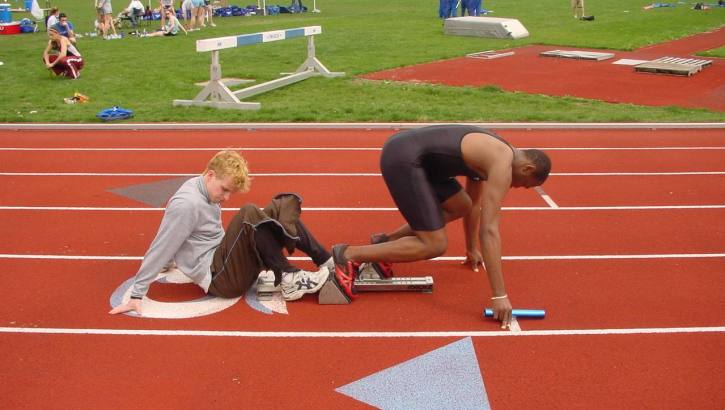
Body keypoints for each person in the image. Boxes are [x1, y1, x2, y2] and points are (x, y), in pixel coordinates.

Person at [331, 125, 551, 328]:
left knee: (460, 205)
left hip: (417, 159)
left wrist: (471, 248)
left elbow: (473, 205)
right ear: (527, 168)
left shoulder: (496, 150)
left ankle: (385, 242)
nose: (515, 186)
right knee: (434, 245)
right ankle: (349, 254)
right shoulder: (502, 163)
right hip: (404, 158)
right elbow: (490, 230)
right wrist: (499, 295)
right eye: (522, 184)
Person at [109, 150, 333, 316]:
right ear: (209, 175)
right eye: (224, 190)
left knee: (279, 209)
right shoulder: (186, 204)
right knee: (248, 213)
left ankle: (327, 261)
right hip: (221, 279)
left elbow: (179, 238)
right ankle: (288, 276)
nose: (226, 198)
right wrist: (137, 294)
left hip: (225, 261)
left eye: (230, 193)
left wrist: (171, 262)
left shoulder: (205, 190)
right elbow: (163, 244)